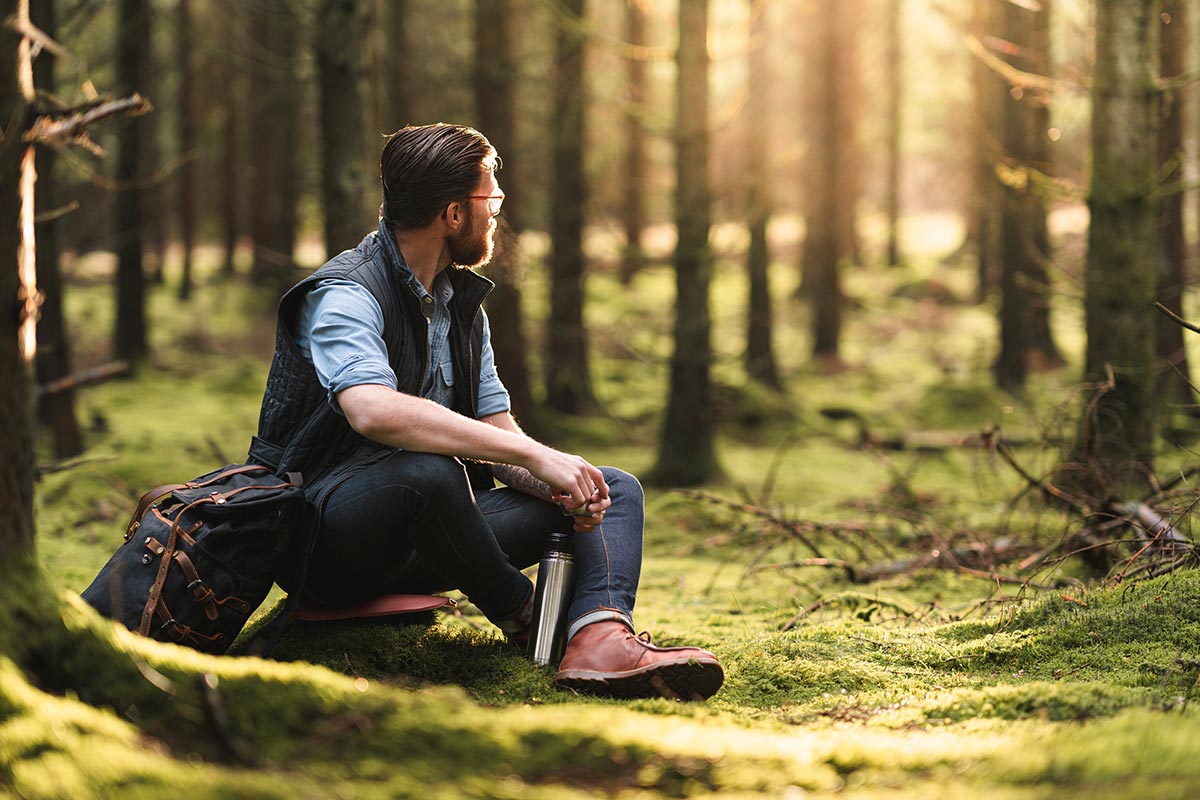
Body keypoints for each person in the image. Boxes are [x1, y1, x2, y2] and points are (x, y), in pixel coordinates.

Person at [249, 123, 723, 700]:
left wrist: (554, 474)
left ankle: (599, 638)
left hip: (434, 540)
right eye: (490, 197)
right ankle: (524, 618)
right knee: (427, 472)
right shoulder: (344, 293)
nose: (497, 211)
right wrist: (528, 451)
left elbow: (496, 432)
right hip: (326, 545)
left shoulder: (463, 306)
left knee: (613, 487)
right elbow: (371, 410)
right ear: (453, 213)